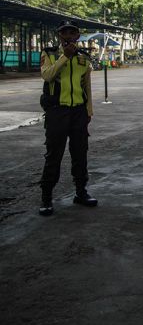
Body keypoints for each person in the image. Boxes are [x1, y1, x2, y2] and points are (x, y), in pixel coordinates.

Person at [38, 20, 98, 216]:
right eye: (65, 32)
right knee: (54, 154)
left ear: (77, 36)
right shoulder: (50, 54)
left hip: (79, 112)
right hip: (57, 112)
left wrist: (89, 111)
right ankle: (46, 198)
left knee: (80, 153)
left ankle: (81, 192)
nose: (68, 36)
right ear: (59, 35)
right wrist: (65, 57)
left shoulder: (84, 59)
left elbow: (87, 86)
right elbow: (47, 75)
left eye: (72, 33)